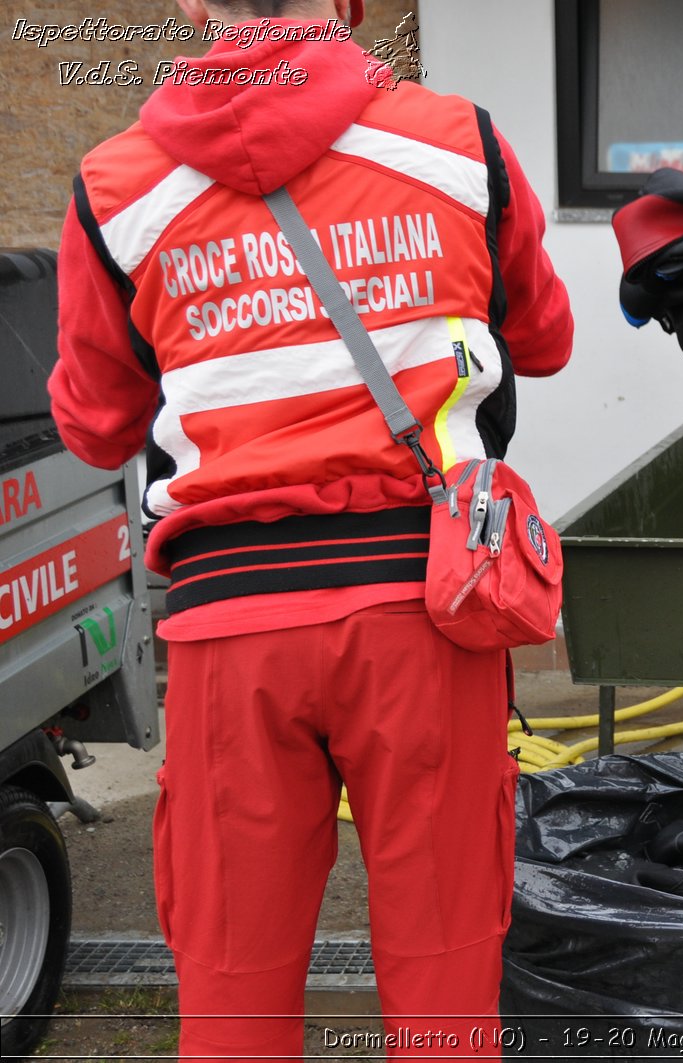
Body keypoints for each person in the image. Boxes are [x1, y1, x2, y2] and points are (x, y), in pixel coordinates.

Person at [49, 0, 573, 1056]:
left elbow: (96, 425)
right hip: (425, 614)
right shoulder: (460, 143)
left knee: (232, 996)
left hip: (225, 632)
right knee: (444, 997)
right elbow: (544, 338)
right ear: (347, 3)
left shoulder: (114, 189)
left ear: (196, 4)